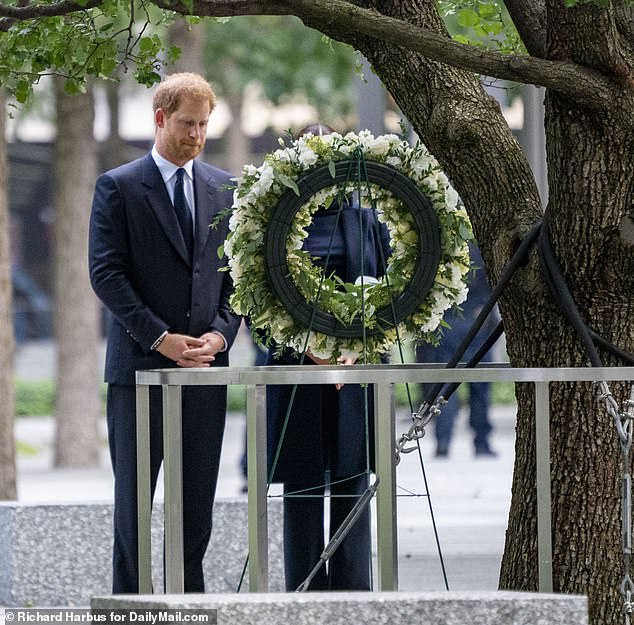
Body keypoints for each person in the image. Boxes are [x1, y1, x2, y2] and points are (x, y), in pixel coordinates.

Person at [89, 72, 241, 593]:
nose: (196, 135)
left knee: (196, 502)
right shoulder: (119, 187)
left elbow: (235, 279)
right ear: (159, 118)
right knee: (134, 503)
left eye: (203, 124)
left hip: (205, 370)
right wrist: (160, 339)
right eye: (186, 123)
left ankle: (189, 604)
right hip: (138, 373)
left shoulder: (226, 189)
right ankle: (133, 606)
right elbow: (106, 274)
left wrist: (219, 338)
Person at [263, 123, 391, 591]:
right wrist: (311, 352)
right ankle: (303, 596)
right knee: (301, 493)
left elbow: (390, 297)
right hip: (296, 373)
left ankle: (354, 600)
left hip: (353, 375)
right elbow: (256, 302)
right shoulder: (274, 220)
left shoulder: (367, 221)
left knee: (353, 489)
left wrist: (351, 353)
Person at [415, 243, 498, 458]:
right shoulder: (482, 247)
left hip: (448, 324)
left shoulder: (439, 248)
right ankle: (482, 442)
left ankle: (443, 441)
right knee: (479, 388)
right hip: (478, 322)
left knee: (444, 388)